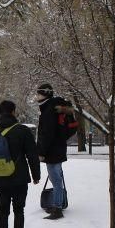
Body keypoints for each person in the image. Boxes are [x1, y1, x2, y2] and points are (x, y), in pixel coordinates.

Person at [0, 100, 41, 228]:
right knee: (19, 210)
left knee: (3, 211)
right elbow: (32, 155)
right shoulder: (22, 131)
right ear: (13, 111)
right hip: (19, 178)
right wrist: (36, 175)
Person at [35, 83, 71, 220]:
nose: (36, 96)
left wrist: (41, 152)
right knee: (57, 178)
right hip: (59, 149)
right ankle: (58, 204)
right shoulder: (55, 108)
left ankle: (57, 208)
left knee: (55, 180)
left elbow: (47, 134)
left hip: (52, 152)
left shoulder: (49, 111)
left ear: (46, 94)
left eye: (39, 93)